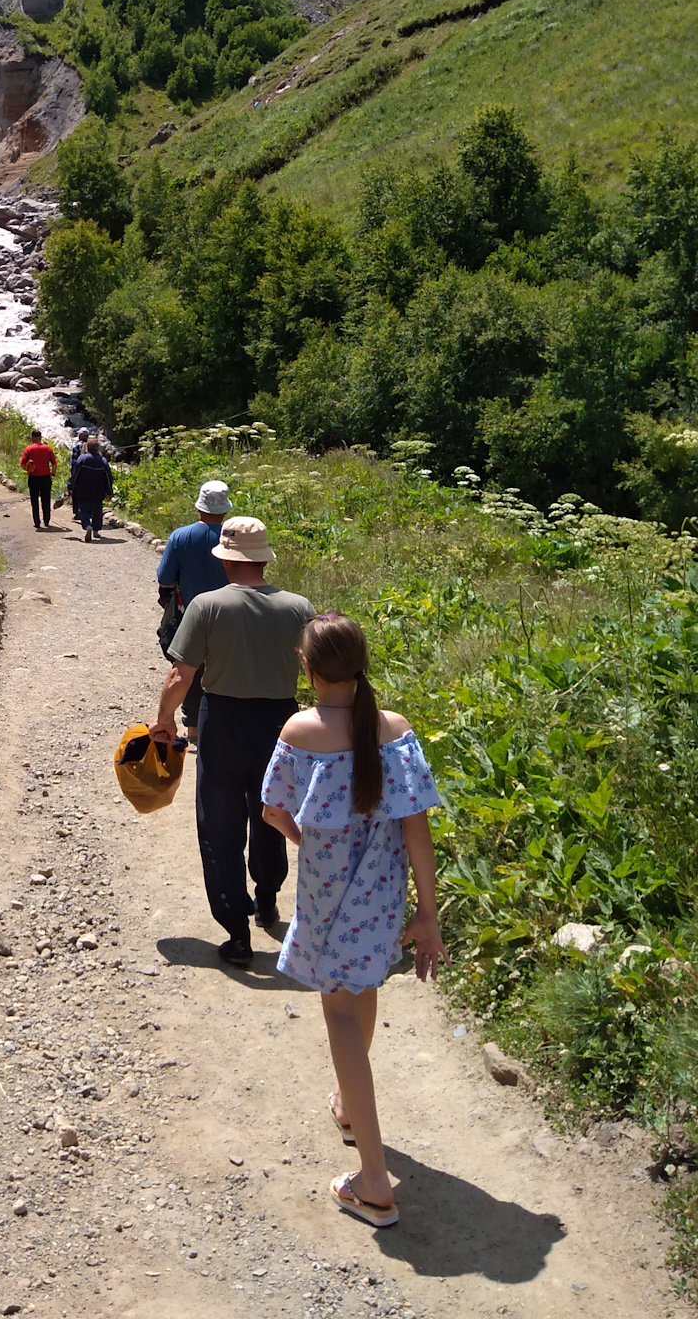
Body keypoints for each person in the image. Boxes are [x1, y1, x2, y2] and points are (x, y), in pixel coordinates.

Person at [260, 614, 446, 1229]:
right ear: (361, 662)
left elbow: (273, 810)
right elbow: (416, 828)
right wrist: (428, 913)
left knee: (337, 1010)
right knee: (361, 992)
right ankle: (348, 1106)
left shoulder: (300, 729)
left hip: (326, 893)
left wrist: (305, 838)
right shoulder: (395, 731)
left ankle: (373, 1183)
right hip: (383, 894)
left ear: (305, 666)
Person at [152, 516, 315, 966]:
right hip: (282, 723)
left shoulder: (207, 606)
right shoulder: (299, 608)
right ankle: (267, 897)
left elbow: (179, 674)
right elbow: (317, 673)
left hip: (221, 716)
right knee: (272, 811)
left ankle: (236, 931)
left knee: (220, 822)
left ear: (224, 559)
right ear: (263, 559)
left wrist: (164, 721)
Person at [156, 480, 233, 733]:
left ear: (199, 507)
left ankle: (193, 728)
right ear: (225, 509)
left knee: (189, 670)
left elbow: (165, 578)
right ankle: (223, 724)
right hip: (231, 615)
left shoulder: (181, 536)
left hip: (191, 615)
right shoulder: (233, 538)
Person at [69, 439, 113, 542]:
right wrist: (109, 492)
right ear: (98, 448)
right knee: (97, 511)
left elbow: (75, 474)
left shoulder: (82, 459)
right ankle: (96, 531)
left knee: (83, 510)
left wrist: (70, 486)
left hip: (82, 490)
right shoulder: (103, 461)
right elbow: (108, 478)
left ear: (87, 447)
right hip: (98, 491)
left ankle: (87, 526)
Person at [18, 427, 58, 530]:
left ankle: (37, 522)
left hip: (34, 477)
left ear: (32, 438)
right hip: (45, 477)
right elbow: (54, 463)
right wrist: (52, 473)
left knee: (34, 500)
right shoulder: (48, 448)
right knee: (46, 499)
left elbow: (22, 464)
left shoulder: (29, 449)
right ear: (40, 438)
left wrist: (28, 469)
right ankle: (46, 520)